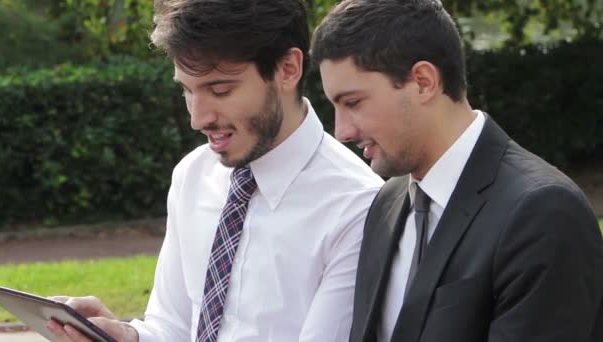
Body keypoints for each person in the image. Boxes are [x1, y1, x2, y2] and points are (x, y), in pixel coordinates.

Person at [46, 0, 383, 341]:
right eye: (187, 90)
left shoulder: (357, 206)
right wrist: (127, 337)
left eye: (220, 90)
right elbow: (173, 327)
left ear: (288, 69)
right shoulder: (192, 175)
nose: (198, 118)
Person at [311, 0, 603, 341]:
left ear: (423, 81)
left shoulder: (544, 212)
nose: (341, 131)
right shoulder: (387, 202)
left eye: (353, 103)